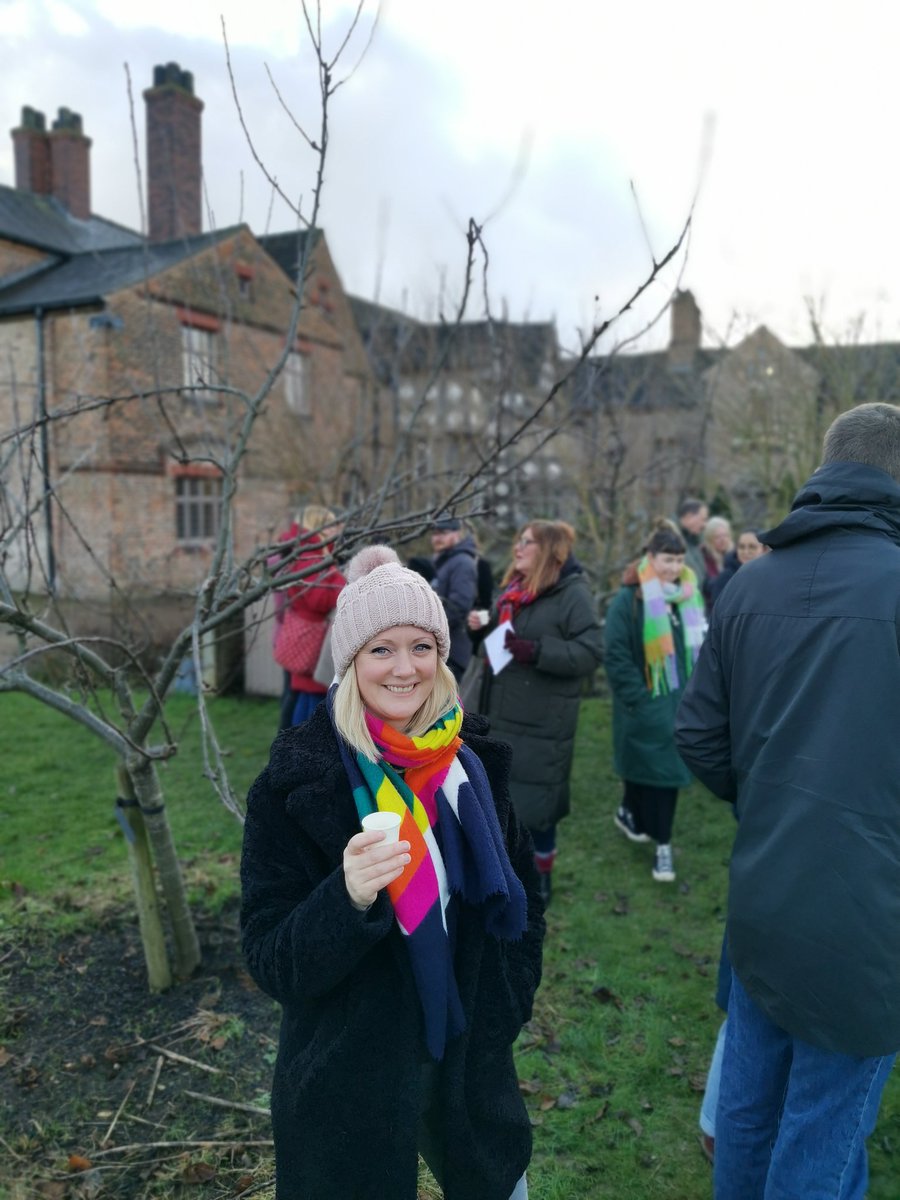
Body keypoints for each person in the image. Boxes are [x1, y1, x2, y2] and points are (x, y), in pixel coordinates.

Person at [241, 544, 545, 1200]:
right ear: (350, 663)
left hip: (467, 1057)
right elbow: (270, 959)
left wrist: (506, 1007)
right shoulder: (296, 786)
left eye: (421, 647)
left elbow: (527, 901)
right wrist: (345, 898)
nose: (404, 669)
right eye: (381, 649)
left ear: (442, 657)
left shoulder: (474, 768)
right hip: (351, 1080)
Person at [675, 402, 900, 1199]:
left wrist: (773, 801)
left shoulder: (746, 582)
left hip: (766, 893)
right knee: (822, 1124)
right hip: (870, 913)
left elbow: (698, 734)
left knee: (749, 1102)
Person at [468, 520, 602, 904]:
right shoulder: (513, 592)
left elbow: (592, 652)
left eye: (527, 542)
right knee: (502, 802)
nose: (518, 548)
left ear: (549, 550)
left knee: (535, 808)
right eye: (518, 540)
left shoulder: (572, 594)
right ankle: (502, 873)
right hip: (500, 714)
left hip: (542, 722)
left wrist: (537, 651)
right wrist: (483, 627)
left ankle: (540, 879)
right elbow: (496, 648)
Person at [604, 519, 706, 882]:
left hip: (680, 702)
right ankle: (661, 845)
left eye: (679, 561)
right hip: (646, 703)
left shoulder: (688, 596)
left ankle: (652, 831)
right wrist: (641, 699)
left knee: (664, 774)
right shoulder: (629, 600)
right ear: (650, 558)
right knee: (647, 771)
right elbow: (615, 654)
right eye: (667, 560)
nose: (674, 568)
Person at [272, 504, 344, 729]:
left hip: (307, 636)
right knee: (309, 702)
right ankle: (297, 750)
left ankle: (293, 747)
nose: (337, 530)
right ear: (318, 527)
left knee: (303, 698)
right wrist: (343, 587)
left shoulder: (308, 553)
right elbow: (317, 599)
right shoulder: (311, 557)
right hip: (311, 639)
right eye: (331, 526)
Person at [430, 517, 479, 682]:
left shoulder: (462, 563)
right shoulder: (444, 561)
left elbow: (458, 607)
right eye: (435, 533)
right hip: (441, 650)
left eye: (443, 533)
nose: (437, 538)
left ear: (457, 534)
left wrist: (427, 629)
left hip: (452, 654)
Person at [706, 527, 765, 608]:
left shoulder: (771, 575)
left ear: (764, 550)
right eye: (741, 547)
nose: (746, 552)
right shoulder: (726, 578)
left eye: (752, 547)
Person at [700, 516, 733, 613]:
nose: (723, 540)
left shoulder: (736, 556)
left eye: (725, 535)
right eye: (717, 537)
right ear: (709, 539)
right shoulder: (704, 557)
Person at [675, 497, 709, 589]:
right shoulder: (671, 543)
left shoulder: (694, 543)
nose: (704, 525)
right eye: (703, 519)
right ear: (689, 517)